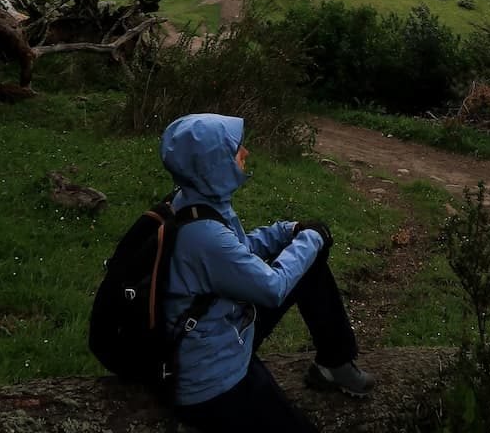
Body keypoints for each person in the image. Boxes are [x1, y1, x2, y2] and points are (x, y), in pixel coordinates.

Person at [160, 112, 374, 432]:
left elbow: (240, 251)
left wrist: (287, 231)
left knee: (309, 266)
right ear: (212, 165)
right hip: (210, 377)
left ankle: (334, 362)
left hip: (224, 326)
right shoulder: (204, 235)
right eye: (235, 149)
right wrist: (312, 238)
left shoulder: (194, 201)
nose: (245, 153)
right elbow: (271, 288)